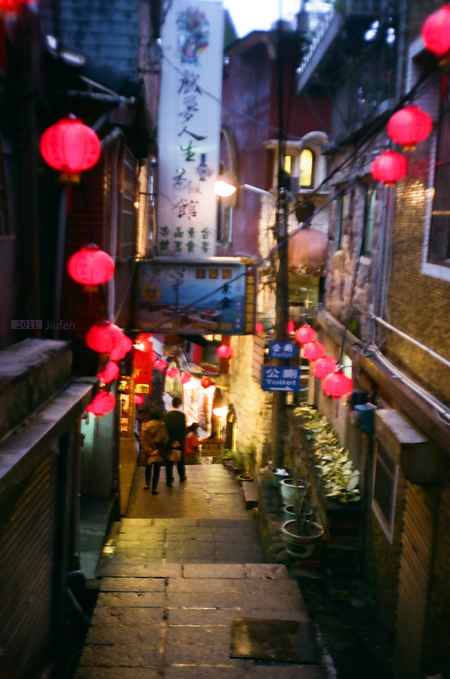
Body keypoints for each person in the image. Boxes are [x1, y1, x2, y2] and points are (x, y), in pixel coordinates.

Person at [139, 407, 169, 494]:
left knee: (148, 468)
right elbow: (165, 439)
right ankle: (154, 489)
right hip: (158, 451)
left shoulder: (144, 426)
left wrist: (149, 451)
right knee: (156, 470)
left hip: (148, 452)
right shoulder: (162, 425)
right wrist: (158, 450)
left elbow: (142, 440)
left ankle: (147, 484)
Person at [164, 396, 187, 486]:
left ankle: (169, 480)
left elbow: (165, 430)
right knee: (180, 461)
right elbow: (183, 430)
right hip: (179, 442)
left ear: (171, 404)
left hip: (169, 442)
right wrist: (178, 441)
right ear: (180, 404)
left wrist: (171, 441)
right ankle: (181, 476)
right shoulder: (182, 416)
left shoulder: (167, 416)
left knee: (169, 462)